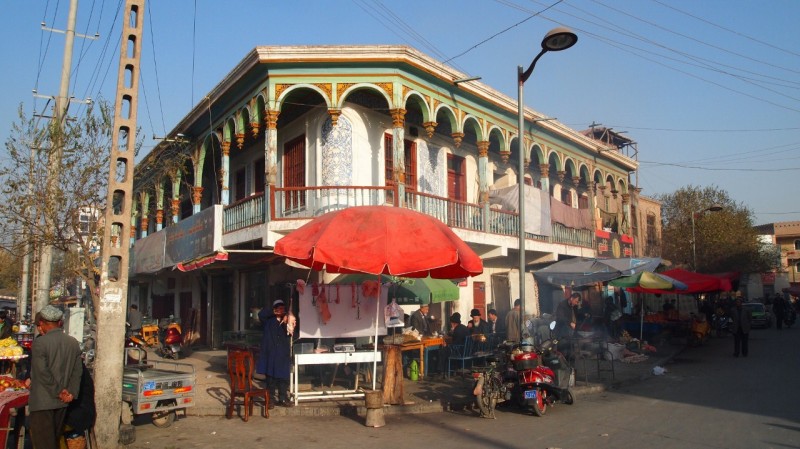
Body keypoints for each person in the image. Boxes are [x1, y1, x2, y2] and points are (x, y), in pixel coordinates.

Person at [28, 305, 83, 449]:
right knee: (54, 439)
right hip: (62, 403)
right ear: (59, 323)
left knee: (43, 444)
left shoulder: (40, 343)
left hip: (43, 402)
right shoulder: (72, 342)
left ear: (42, 324)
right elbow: (77, 372)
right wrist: (70, 392)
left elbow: (42, 373)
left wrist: (59, 391)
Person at [257, 299, 294, 408]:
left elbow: (292, 329)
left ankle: (283, 398)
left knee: (283, 379)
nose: (280, 309)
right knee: (270, 379)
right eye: (278, 307)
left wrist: (287, 318)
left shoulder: (287, 321)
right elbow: (261, 314)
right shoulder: (268, 321)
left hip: (282, 354)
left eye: (282, 307)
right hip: (271, 354)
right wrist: (273, 312)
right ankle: (270, 400)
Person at [63, 363, 96, 448]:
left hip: (80, 413)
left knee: (51, 426)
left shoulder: (74, 368)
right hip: (80, 410)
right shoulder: (74, 365)